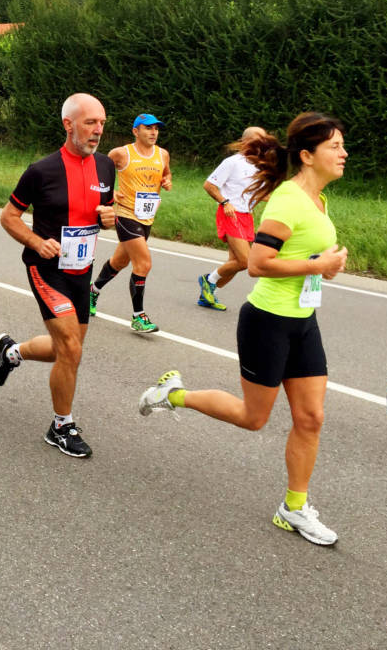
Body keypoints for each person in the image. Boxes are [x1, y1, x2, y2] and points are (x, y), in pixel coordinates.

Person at [138, 112, 348, 546]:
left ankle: (293, 507)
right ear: (308, 156)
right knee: (254, 419)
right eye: (335, 146)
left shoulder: (318, 200)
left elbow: (304, 257)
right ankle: (173, 394)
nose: (343, 153)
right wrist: (316, 265)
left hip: (303, 322)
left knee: (311, 418)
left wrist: (324, 268)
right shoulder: (288, 200)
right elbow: (257, 264)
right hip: (267, 323)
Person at [0, 93, 116, 458]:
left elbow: (101, 213)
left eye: (102, 123)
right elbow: (8, 217)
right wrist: (36, 240)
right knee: (71, 349)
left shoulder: (106, 167)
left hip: (82, 270)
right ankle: (61, 425)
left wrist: (107, 219)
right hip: (46, 269)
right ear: (68, 124)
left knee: (67, 350)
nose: (98, 130)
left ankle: (12, 353)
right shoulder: (41, 171)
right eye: (91, 122)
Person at [88, 113, 172, 333]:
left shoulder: (163, 154)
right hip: (125, 215)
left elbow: (167, 174)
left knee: (119, 262)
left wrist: (167, 181)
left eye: (156, 128)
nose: (154, 132)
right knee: (143, 264)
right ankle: (138, 316)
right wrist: (111, 191)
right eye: (148, 128)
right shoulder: (121, 153)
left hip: (148, 217)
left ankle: (93, 291)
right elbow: (96, 170)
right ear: (136, 131)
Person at [196, 126, 266, 310]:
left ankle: (208, 294)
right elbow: (209, 185)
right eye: (258, 140)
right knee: (245, 261)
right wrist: (225, 202)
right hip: (231, 214)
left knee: (235, 263)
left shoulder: (259, 165)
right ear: (245, 142)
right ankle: (208, 280)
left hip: (246, 217)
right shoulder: (232, 162)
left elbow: (262, 194)